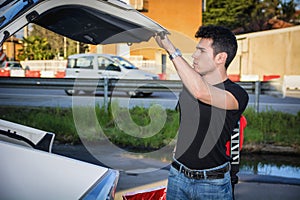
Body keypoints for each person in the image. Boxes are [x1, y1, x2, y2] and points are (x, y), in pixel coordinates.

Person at [155, 25, 249, 199]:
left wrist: (171, 50)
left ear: (221, 58)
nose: (194, 55)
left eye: (201, 51)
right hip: (177, 176)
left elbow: (202, 93)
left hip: (212, 184)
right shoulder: (189, 88)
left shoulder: (237, 94)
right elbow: (189, 123)